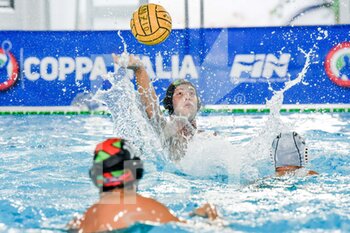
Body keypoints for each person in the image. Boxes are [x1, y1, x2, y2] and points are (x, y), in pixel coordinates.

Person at [68, 138, 218, 233]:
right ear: (136, 171)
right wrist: (213, 218)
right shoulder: (147, 208)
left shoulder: (86, 217)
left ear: (95, 176)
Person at [112, 54, 202, 161]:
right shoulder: (165, 134)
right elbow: (151, 107)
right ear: (170, 105)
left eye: (192, 93)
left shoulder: (208, 139)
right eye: (180, 93)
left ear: (198, 105)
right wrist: (139, 69)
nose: (187, 97)